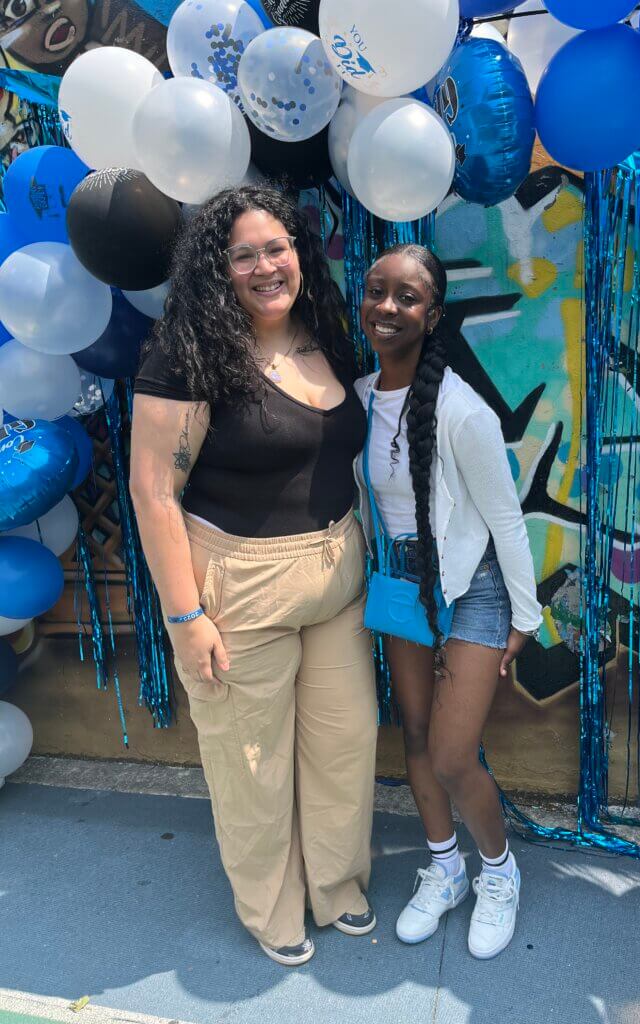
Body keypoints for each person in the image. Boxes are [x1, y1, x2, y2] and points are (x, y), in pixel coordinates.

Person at [130, 186, 378, 968]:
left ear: (299, 252)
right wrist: (183, 616)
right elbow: (152, 488)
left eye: (278, 248)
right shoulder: (188, 350)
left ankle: (336, 884)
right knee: (251, 764)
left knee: (346, 743)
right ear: (218, 268)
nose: (267, 266)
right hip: (238, 589)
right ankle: (273, 909)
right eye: (245, 254)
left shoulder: (324, 332)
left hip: (337, 578)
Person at [353, 244, 542, 961]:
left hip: (472, 590)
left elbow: (506, 520)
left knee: (454, 754)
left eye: (407, 298)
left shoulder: (464, 412)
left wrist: (524, 620)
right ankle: (445, 868)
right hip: (403, 586)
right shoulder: (363, 396)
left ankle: (500, 872)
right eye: (378, 293)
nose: (388, 308)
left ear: (431, 315)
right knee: (415, 740)